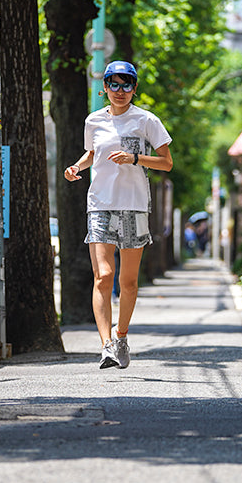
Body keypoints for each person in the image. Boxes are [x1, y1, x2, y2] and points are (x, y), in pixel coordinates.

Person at [64, 60, 173, 369]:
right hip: (99, 203)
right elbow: (92, 153)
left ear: (134, 88)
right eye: (114, 84)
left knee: (128, 281)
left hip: (135, 205)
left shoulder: (147, 120)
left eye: (127, 85)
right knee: (103, 276)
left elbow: (166, 163)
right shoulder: (93, 121)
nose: (120, 90)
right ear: (105, 88)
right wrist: (76, 167)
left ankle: (122, 336)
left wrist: (135, 158)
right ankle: (107, 345)